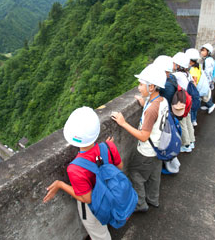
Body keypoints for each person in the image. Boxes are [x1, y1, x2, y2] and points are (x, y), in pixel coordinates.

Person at [43, 106, 122, 240]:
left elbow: (87, 199)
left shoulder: (75, 168)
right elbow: (119, 168)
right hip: (111, 193)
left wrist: (60, 185)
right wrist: (108, 148)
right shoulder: (109, 146)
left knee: (99, 235)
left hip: (94, 207)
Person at [111, 64, 167, 212]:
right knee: (154, 176)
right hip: (158, 147)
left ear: (152, 87)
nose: (139, 87)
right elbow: (154, 114)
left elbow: (143, 136)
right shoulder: (161, 101)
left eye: (142, 84)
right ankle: (153, 199)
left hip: (147, 151)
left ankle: (140, 204)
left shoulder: (151, 109)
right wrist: (144, 102)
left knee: (136, 175)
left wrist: (123, 123)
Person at [172, 52, 196, 153]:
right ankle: (191, 141)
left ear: (178, 65)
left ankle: (186, 145)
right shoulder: (187, 74)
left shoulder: (177, 75)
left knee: (182, 123)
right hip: (188, 100)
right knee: (188, 122)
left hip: (182, 102)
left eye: (174, 63)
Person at [198, 43, 215, 114]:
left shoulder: (208, 61)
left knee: (205, 94)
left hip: (207, 80)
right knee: (207, 93)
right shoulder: (208, 59)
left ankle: (211, 105)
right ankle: (208, 105)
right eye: (201, 50)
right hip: (208, 80)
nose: (202, 52)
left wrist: (207, 81)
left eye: (203, 51)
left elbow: (208, 72)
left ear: (208, 52)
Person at [186, 48, 202, 126]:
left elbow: (194, 80)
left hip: (193, 89)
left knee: (192, 106)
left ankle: (193, 120)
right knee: (195, 105)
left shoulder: (192, 69)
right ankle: (194, 119)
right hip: (196, 88)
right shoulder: (198, 66)